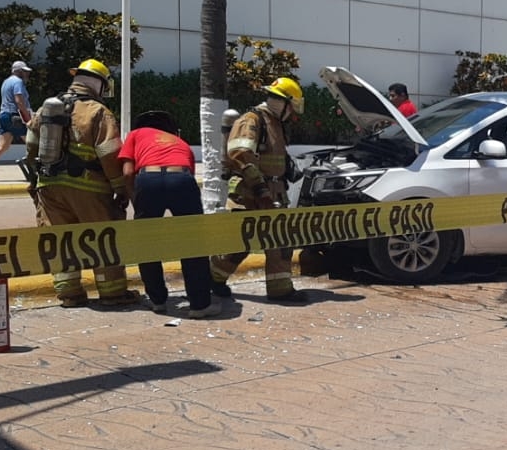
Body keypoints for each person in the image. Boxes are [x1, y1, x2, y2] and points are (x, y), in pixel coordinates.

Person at [26, 58, 138, 308]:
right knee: (102, 240)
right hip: (89, 188)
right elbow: (109, 154)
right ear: (99, 84)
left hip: (49, 186)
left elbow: (31, 144)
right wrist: (120, 188)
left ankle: (70, 295)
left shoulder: (47, 108)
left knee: (61, 241)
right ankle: (112, 293)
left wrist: (36, 182)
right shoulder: (98, 112)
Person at [210, 76, 311, 304]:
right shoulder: (252, 120)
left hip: (274, 192)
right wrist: (260, 188)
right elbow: (239, 154)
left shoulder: (275, 122)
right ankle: (213, 279)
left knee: (280, 243)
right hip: (249, 193)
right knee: (238, 244)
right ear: (283, 102)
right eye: (290, 106)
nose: (292, 113)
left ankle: (281, 290)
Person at [119, 110, 220, 319]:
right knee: (192, 242)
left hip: (148, 179)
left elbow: (128, 172)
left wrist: (135, 201)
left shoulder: (136, 134)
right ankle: (199, 305)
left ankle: (157, 301)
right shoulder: (180, 142)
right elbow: (188, 176)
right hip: (181, 179)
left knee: (147, 243)